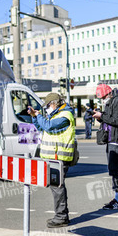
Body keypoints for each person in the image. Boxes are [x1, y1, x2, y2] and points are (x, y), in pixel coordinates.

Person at [28, 93, 76, 228]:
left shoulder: (65, 116)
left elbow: (48, 126)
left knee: (57, 187)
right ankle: (61, 215)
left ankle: (61, 217)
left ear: (55, 103)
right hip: (54, 157)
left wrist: (38, 115)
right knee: (56, 187)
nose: (47, 108)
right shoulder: (56, 115)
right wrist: (35, 117)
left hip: (60, 157)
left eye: (48, 105)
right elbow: (42, 127)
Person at [93, 84, 118, 210]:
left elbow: (117, 120)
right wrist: (100, 117)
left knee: (116, 170)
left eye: (103, 97)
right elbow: (110, 120)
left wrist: (101, 116)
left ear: (109, 93)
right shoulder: (113, 101)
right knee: (114, 170)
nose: (102, 99)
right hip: (112, 139)